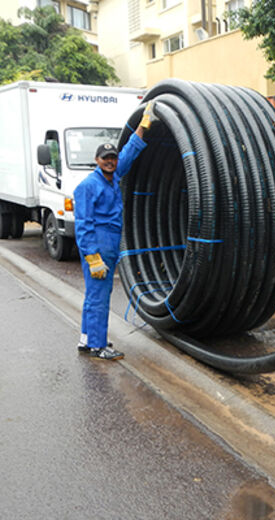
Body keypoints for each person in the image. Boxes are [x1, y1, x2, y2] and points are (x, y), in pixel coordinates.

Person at [74, 102, 156, 360]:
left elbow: (129, 153)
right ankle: (99, 346)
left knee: (94, 295)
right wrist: (92, 255)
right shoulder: (88, 186)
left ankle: (87, 340)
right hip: (98, 245)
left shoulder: (114, 176)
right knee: (99, 297)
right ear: (97, 160)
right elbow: (83, 223)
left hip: (108, 244)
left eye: (113, 158)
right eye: (105, 158)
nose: (110, 162)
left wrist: (143, 127)